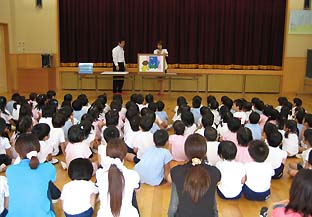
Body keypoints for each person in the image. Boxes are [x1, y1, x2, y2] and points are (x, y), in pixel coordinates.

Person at [168, 134, 221, 217]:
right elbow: (214, 208)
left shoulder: (176, 172)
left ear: (186, 152)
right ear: (205, 152)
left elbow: (172, 209)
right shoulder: (215, 172)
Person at [6, 133, 56, 217]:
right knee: (47, 189)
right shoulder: (49, 168)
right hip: (43, 215)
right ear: (38, 149)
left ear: (17, 151)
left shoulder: (10, 171)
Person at [96, 138, 140, 217]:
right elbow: (137, 191)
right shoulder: (133, 175)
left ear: (106, 155)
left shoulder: (99, 174)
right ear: (124, 155)